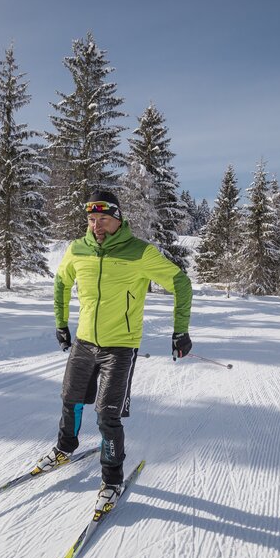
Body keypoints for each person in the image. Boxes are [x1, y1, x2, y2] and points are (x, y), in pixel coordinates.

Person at [35, 189, 193, 515]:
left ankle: (111, 479)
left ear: (117, 218)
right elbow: (61, 282)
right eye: (91, 219)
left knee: (108, 416)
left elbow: (180, 282)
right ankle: (65, 448)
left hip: (120, 347)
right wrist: (61, 322)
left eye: (103, 219)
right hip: (83, 342)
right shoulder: (77, 249)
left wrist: (181, 330)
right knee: (70, 400)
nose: (96, 225)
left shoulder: (140, 252)